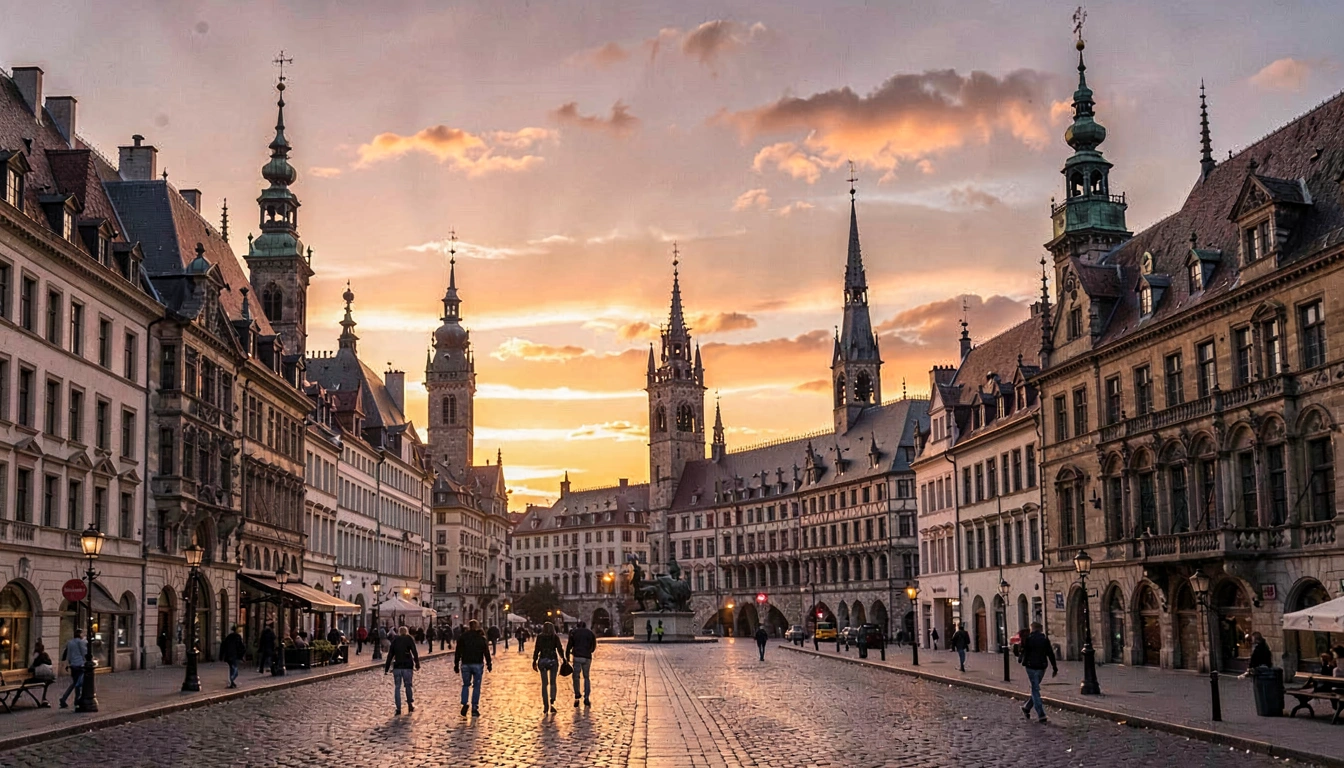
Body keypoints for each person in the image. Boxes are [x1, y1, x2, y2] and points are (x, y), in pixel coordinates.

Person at [1018, 622, 1057, 724]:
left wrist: (1020, 657)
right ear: (1040, 629)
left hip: (1030, 666)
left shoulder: (1028, 639)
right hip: (1041, 666)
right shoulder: (1044, 639)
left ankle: (1029, 709)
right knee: (1035, 688)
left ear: (1032, 629)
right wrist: (1054, 667)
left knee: (1035, 689)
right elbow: (1050, 653)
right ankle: (1041, 714)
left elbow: (1022, 650)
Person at [454, 619, 493, 717]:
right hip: (477, 664)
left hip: (466, 663)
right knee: (476, 686)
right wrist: (489, 663)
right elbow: (486, 652)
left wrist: (456, 664)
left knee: (466, 685)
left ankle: (464, 703)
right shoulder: (480, 638)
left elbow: (458, 651)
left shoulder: (463, 637)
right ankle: (474, 707)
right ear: (476, 626)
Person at [384, 626, 421, 715]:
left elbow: (390, 655)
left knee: (397, 687)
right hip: (407, 666)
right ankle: (410, 704)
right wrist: (417, 664)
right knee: (408, 685)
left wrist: (387, 667)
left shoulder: (395, 640)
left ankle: (398, 708)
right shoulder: (409, 639)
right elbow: (414, 652)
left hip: (397, 666)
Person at [533, 621, 564, 713]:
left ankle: (545, 705)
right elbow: (559, 648)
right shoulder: (554, 637)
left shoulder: (540, 637)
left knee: (544, 683)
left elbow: (537, 649)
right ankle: (552, 700)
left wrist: (534, 660)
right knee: (553, 682)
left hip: (542, 660)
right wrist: (563, 658)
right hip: (552, 660)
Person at [566, 620, 597, 708]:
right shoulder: (590, 633)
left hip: (577, 656)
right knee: (586, 677)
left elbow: (569, 645)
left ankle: (577, 694)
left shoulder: (574, 633)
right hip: (587, 657)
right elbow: (593, 644)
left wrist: (567, 656)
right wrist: (589, 651)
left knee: (576, 676)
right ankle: (586, 696)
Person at [58, 629, 88, 709]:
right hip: (80, 664)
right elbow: (84, 653)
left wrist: (69, 664)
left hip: (73, 665)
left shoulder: (70, 642)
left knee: (75, 683)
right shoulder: (81, 642)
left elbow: (69, 654)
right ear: (80, 634)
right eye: (82, 633)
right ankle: (75, 700)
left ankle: (65, 699)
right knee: (78, 684)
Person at [27, 642, 53, 706]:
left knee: (25, 682)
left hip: (38, 678)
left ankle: (44, 699)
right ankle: (44, 699)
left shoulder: (38, 656)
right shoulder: (45, 655)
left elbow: (31, 668)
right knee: (46, 683)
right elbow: (50, 663)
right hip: (46, 678)